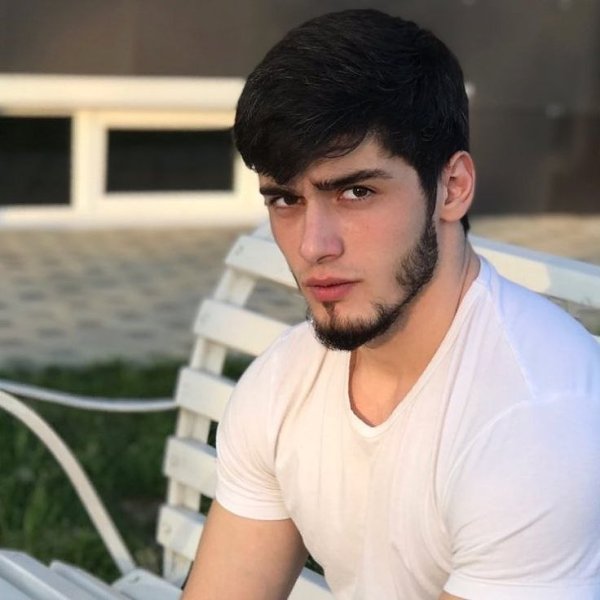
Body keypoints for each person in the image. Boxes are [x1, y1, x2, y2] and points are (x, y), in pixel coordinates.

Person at [182, 9, 600, 599]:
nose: (313, 245)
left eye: (356, 191)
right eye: (285, 200)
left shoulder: (535, 423)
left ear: (452, 188)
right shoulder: (283, 386)